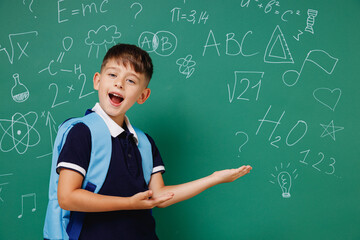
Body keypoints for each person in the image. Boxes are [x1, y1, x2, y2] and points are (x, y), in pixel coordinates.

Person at [44, 43, 252, 240]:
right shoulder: (82, 132)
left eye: (131, 80)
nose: (119, 83)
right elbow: (67, 197)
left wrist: (214, 178)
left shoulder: (144, 143)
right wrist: (129, 204)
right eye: (113, 74)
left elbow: (159, 196)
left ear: (143, 95)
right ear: (98, 80)